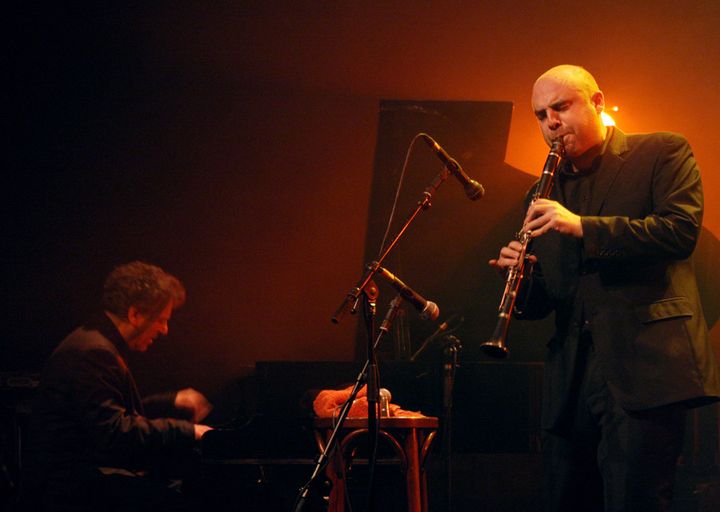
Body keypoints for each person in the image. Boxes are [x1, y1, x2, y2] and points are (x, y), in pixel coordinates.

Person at [489, 65, 720, 511]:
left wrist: (582, 226)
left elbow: (679, 231)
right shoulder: (543, 190)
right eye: (540, 115)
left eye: (561, 107)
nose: (550, 122)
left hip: (643, 371)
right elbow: (551, 299)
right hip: (570, 379)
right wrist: (521, 279)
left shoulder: (662, 152)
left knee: (635, 500)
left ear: (597, 102)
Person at [24, 261, 213, 511]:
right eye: (161, 320)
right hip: (75, 490)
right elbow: (115, 431)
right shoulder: (94, 352)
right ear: (135, 314)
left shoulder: (95, 343)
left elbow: (110, 414)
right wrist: (190, 431)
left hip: (83, 479)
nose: (165, 330)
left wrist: (170, 401)